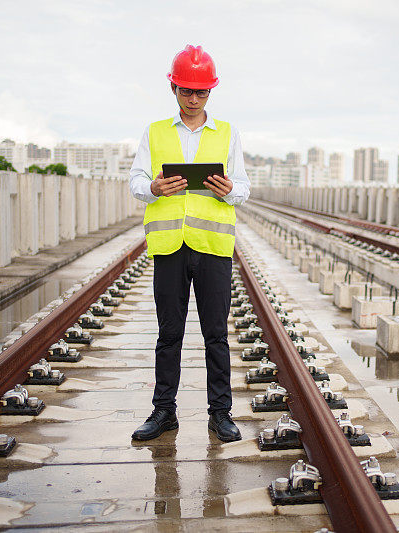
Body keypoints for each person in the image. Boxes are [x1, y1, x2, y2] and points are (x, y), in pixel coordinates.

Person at [128, 44, 250, 442]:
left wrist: (229, 190)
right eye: (186, 91)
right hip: (169, 248)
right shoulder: (154, 132)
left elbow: (244, 188)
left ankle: (221, 413)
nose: (193, 99)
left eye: (201, 92)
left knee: (216, 333)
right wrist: (154, 187)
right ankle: (164, 412)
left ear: (210, 93)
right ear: (174, 89)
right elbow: (135, 183)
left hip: (213, 248)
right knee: (169, 334)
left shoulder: (228, 133)